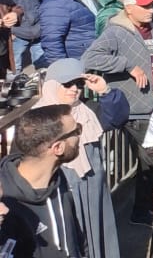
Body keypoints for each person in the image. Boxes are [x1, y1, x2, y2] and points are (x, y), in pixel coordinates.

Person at [81, 0, 153, 226]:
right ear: (129, 9)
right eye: (144, 6)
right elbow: (90, 58)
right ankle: (145, 210)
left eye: (151, 4)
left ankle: (150, 207)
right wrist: (127, 65)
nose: (150, 10)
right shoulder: (116, 32)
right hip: (138, 110)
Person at [35, 59, 128, 258]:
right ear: (52, 85)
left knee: (99, 235)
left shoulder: (88, 111)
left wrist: (105, 91)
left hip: (94, 189)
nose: (74, 89)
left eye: (78, 84)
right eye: (67, 84)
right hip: (61, 193)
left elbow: (118, 117)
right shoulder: (36, 119)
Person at [0, 104, 86, 258]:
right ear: (58, 148)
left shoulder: (58, 178)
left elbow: (77, 238)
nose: (79, 136)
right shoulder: (5, 200)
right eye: (76, 131)